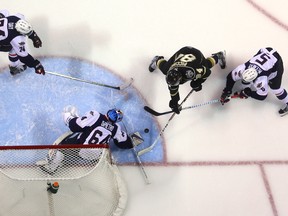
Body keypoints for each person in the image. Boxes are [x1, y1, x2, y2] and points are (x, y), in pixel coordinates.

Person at [38, 106, 134, 174]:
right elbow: (124, 142)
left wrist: (68, 117)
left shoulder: (96, 116)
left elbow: (75, 126)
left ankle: (52, 166)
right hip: (95, 157)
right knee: (91, 143)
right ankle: (68, 158)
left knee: (65, 143)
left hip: (81, 149)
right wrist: (131, 143)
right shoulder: (116, 128)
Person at [148, 46, 226, 114]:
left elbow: (207, 72)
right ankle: (157, 60)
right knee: (165, 69)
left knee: (206, 65)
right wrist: (174, 102)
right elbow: (173, 89)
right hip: (182, 53)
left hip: (195, 54)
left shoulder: (191, 72)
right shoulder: (170, 73)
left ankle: (218, 56)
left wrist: (198, 82)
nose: (175, 86)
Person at [220, 47, 288, 116]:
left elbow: (263, 96)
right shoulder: (242, 69)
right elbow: (230, 77)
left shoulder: (261, 80)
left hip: (276, 62)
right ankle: (246, 89)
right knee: (246, 82)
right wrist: (227, 90)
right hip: (265, 52)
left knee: (275, 89)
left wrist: (249, 94)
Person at [0, 9, 45, 75]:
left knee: (4, 12)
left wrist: (34, 36)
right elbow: (24, 57)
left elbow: (26, 27)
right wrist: (36, 65)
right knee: (12, 48)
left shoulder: (15, 18)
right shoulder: (16, 39)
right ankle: (14, 67)